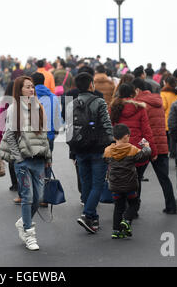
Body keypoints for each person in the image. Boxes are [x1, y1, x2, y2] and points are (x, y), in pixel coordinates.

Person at [0, 76, 52, 251]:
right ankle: (29, 234)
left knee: (40, 197)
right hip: (22, 162)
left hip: (38, 160)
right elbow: (8, 136)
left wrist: (48, 159)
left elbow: (43, 136)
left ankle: (23, 221)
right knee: (27, 198)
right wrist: (19, 159)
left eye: (32, 87)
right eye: (28, 87)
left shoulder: (38, 108)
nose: (31, 90)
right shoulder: (14, 109)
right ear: (19, 90)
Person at [67, 73, 113, 234]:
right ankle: (87, 214)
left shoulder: (71, 104)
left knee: (86, 184)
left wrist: (72, 151)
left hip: (79, 149)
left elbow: (69, 130)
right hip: (97, 149)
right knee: (98, 185)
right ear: (91, 85)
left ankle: (92, 218)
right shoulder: (99, 102)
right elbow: (107, 125)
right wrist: (111, 144)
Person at [109, 83, 157, 215]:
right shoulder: (139, 108)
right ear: (133, 94)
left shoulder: (114, 107)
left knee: (120, 177)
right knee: (136, 179)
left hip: (119, 148)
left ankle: (121, 207)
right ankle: (133, 208)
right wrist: (152, 151)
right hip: (137, 149)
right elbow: (146, 131)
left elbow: (110, 130)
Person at [133, 78, 177, 214]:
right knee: (164, 178)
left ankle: (134, 209)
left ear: (137, 90)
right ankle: (171, 207)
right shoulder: (158, 101)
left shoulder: (139, 104)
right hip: (162, 145)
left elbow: (141, 128)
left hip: (145, 145)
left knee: (137, 178)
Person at [104, 124, 152, 239]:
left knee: (118, 206)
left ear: (114, 137)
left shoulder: (108, 150)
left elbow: (105, 160)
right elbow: (144, 155)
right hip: (130, 185)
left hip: (115, 185)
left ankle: (116, 230)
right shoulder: (132, 149)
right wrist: (147, 146)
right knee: (134, 203)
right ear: (126, 136)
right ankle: (126, 220)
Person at [31, 72, 63, 180]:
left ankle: (36, 185)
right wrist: (56, 131)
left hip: (32, 136)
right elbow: (57, 116)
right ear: (44, 81)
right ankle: (47, 182)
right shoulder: (53, 97)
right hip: (49, 135)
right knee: (47, 160)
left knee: (32, 161)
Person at [0, 81, 20, 202]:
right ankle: (19, 183)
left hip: (7, 134)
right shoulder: (20, 101)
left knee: (11, 159)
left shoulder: (4, 102)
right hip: (16, 135)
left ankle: (14, 183)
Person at [160, 75, 177, 159]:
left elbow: (163, 106)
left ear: (166, 83)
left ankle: (169, 152)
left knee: (168, 137)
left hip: (166, 118)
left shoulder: (163, 93)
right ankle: (174, 153)